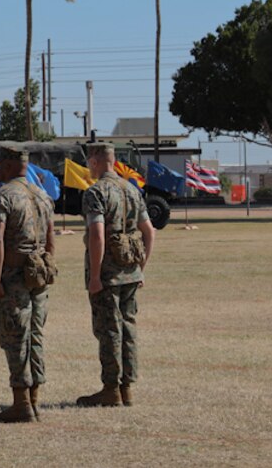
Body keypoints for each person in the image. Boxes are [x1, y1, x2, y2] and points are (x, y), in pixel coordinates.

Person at [77, 142, 156, 408]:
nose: (89, 165)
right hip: (130, 272)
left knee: (109, 329)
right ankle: (127, 388)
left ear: (96, 161)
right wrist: (140, 268)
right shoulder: (131, 190)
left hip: (109, 276)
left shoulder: (95, 193)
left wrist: (95, 276)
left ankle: (111, 389)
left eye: (89, 160)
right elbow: (149, 231)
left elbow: (97, 235)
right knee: (128, 328)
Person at [0, 148, 57, 423]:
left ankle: (21, 403)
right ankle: (34, 399)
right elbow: (51, 239)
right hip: (37, 274)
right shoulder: (42, 195)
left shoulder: (2, 196)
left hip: (14, 274)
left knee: (15, 337)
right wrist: (46, 268)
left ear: (8, 165)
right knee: (35, 335)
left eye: (0, 165)